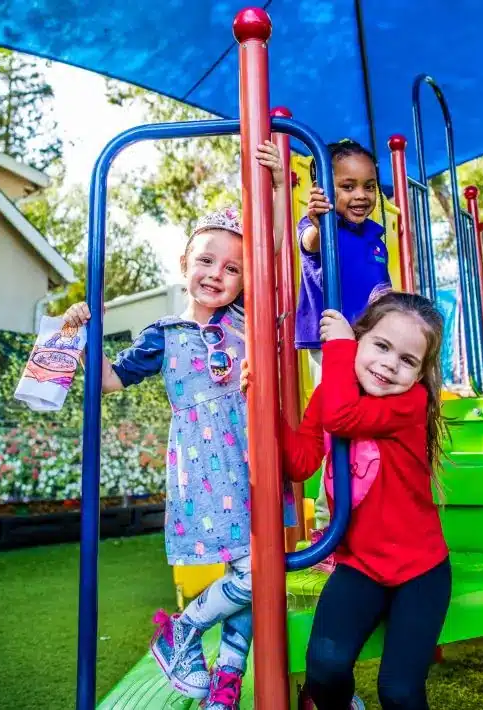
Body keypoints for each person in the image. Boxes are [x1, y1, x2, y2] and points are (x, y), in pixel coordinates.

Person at [64, 141, 289, 710]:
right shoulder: (163, 333)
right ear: (184, 265)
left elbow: (279, 263)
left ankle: (224, 687)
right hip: (205, 466)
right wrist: (77, 337)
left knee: (262, 574)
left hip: (252, 454)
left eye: (233, 267)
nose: (218, 273)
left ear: (245, 280)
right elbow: (109, 381)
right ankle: (183, 630)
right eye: (206, 261)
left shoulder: (245, 320)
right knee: (256, 570)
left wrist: (279, 191)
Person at [245, 292, 450, 710]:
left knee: (399, 690)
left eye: (408, 361)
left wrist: (338, 347)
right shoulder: (330, 395)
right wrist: (263, 405)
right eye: (381, 345)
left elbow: (341, 418)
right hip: (361, 565)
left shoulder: (410, 402)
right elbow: (301, 463)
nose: (390, 364)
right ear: (363, 338)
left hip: (420, 569)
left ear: (420, 375)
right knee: (324, 668)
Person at [295, 139, 392, 530]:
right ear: (324, 190)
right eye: (347, 186)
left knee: (366, 426)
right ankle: (327, 520)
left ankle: (365, 506)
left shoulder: (374, 238)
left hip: (367, 345)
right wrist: (318, 220)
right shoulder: (321, 228)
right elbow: (310, 244)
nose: (361, 195)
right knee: (336, 423)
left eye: (368, 186)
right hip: (331, 343)